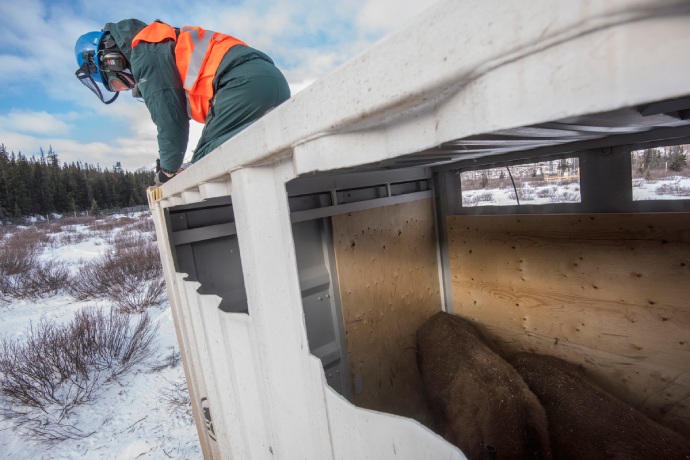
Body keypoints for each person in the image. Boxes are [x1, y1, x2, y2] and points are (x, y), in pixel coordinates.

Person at [75, 19, 291, 184]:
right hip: (272, 81)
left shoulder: (144, 52)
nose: (125, 86)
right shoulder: (162, 40)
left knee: (207, 162)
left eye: (116, 84)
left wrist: (168, 170)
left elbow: (170, 119)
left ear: (109, 60)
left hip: (241, 84)